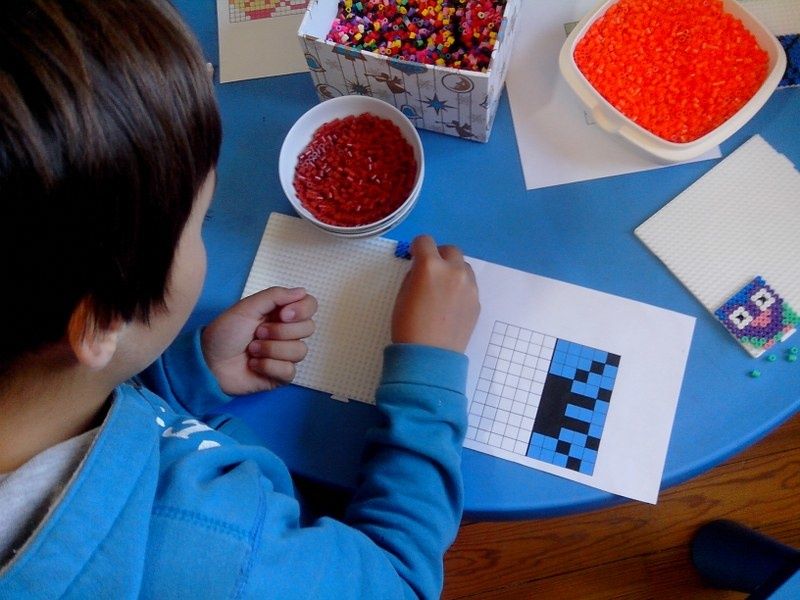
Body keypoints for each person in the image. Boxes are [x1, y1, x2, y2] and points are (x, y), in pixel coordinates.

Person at [0, 0, 480, 598]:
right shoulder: (219, 552)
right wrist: (428, 374)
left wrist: (181, 382)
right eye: (199, 222)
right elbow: (400, 582)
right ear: (102, 321)